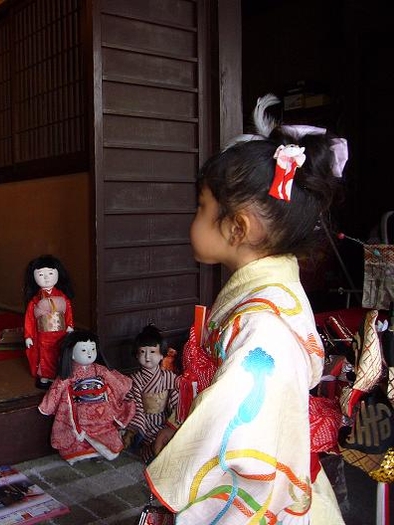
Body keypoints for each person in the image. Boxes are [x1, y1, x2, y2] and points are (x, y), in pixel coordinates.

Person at [144, 94, 348, 524]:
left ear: (237, 227)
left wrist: (180, 448)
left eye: (202, 207)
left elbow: (235, 421)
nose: (194, 218)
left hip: (257, 487)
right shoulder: (267, 298)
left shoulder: (264, 324)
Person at [38, 330, 135, 464]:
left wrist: (122, 386)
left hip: (101, 410)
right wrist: (47, 406)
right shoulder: (68, 375)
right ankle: (84, 453)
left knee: (105, 430)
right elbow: (57, 389)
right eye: (84, 350)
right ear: (71, 353)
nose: (90, 353)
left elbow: (116, 382)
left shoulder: (100, 370)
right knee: (77, 433)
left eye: (93, 349)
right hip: (78, 411)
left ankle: (99, 451)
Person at [122, 324, 179, 463]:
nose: (147, 357)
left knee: (174, 438)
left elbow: (176, 400)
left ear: (161, 355)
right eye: (142, 352)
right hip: (145, 424)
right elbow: (135, 406)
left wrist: (173, 422)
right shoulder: (134, 379)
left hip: (164, 422)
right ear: (137, 354)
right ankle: (153, 452)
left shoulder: (169, 377)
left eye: (152, 352)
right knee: (152, 443)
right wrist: (136, 428)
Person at [23, 254, 75, 389]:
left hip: (60, 333)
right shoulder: (34, 300)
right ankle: (44, 378)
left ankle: (57, 376)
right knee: (44, 356)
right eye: (41, 274)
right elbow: (29, 318)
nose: (46, 278)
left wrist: (69, 325)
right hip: (43, 334)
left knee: (58, 354)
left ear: (58, 274)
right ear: (34, 277)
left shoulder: (63, 297)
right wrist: (28, 336)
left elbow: (68, 311)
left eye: (50, 273)